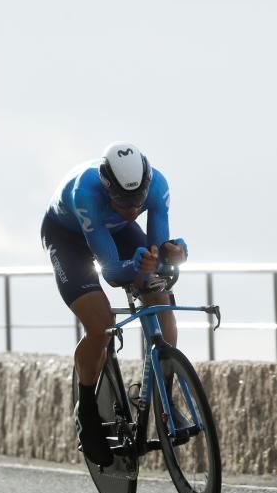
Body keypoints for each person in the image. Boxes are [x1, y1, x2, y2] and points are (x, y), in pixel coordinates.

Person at [41, 143, 188, 466]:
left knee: (158, 295)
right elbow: (111, 272)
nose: (132, 209)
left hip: (116, 233)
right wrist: (135, 266)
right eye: (123, 201)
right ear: (108, 189)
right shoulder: (86, 193)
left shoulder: (158, 185)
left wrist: (167, 256)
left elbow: (157, 252)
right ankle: (88, 411)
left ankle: (163, 395)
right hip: (69, 238)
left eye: (138, 200)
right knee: (100, 325)